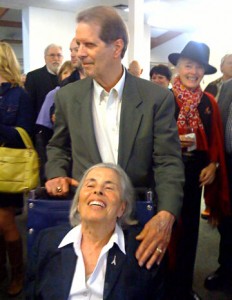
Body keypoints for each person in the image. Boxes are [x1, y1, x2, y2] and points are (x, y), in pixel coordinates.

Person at [45, 5, 184, 271]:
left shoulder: (156, 99)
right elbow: (58, 146)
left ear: (116, 47)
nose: (79, 53)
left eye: (89, 45)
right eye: (78, 44)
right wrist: (55, 172)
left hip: (137, 217)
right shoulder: (67, 97)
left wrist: (166, 214)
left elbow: (167, 161)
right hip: (87, 218)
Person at [26, 163, 166, 299]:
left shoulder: (144, 249)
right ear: (78, 204)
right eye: (90, 185)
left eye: (109, 187)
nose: (97, 191)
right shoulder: (46, 241)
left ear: (121, 208)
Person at [167, 40, 230, 300]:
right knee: (167, 231)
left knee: (190, 233)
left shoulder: (209, 103)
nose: (193, 71)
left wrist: (213, 164)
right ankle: (163, 288)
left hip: (194, 177)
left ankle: (183, 289)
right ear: (178, 67)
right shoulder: (163, 99)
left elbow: (215, 138)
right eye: (188, 65)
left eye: (198, 67)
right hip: (166, 174)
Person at [0, 42, 34, 296]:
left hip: (7, 168)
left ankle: (18, 273)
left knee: (5, 221)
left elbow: (24, 134)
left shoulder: (19, 95)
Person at [204, 79, 232, 291]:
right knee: (227, 220)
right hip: (228, 163)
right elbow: (217, 126)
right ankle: (226, 269)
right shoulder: (228, 86)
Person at [35, 60, 74, 185]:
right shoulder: (55, 94)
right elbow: (43, 125)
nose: (68, 75)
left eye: (71, 72)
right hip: (54, 143)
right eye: (65, 72)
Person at [25, 43, 63, 121]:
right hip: (42, 126)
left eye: (59, 55)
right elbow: (29, 106)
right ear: (45, 58)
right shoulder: (33, 77)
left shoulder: (68, 77)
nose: (56, 58)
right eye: (52, 55)